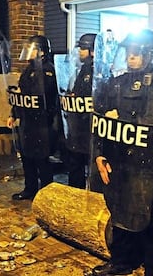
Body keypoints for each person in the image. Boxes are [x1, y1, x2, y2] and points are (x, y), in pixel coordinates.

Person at [92, 29, 153, 276]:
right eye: (128, 52)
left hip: (146, 164)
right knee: (120, 211)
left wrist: (122, 120)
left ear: (150, 55)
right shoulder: (115, 83)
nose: (131, 57)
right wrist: (99, 155)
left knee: (147, 216)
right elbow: (100, 123)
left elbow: (151, 127)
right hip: (118, 161)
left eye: (136, 53)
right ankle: (122, 261)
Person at [5, 35, 58, 200]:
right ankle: (30, 188)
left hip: (42, 122)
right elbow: (22, 95)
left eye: (32, 49)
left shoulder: (48, 69)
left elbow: (41, 93)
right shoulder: (29, 70)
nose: (29, 52)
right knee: (27, 156)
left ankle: (46, 192)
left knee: (42, 158)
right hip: (27, 121)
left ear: (41, 51)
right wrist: (13, 114)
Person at [61, 33, 96, 189]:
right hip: (77, 126)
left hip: (89, 127)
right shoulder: (83, 70)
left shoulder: (98, 71)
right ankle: (76, 197)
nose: (80, 52)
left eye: (83, 48)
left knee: (91, 165)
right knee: (75, 165)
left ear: (92, 51)